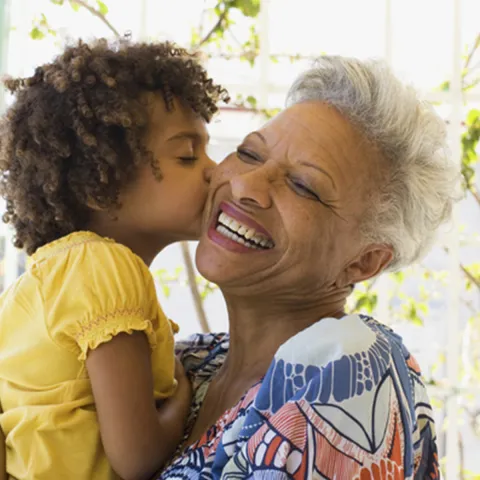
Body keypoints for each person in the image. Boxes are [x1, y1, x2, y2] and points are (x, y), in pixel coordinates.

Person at [159, 56, 459, 479]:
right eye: (248, 153)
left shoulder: (346, 371)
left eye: (303, 186)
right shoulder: (191, 361)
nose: (246, 185)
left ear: (364, 261)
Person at [0, 38, 228, 480]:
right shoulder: (104, 269)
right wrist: (187, 396)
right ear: (98, 183)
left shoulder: (39, 284)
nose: (215, 170)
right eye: (187, 154)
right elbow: (137, 457)